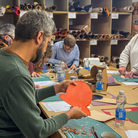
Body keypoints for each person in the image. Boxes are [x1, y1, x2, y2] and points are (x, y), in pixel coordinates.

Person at [0, 10, 87, 138]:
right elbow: (38, 131)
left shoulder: (4, 55)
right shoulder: (17, 74)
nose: (46, 49)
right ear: (39, 37)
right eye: (47, 42)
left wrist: (59, 88)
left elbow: (23, 99)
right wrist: (69, 114)